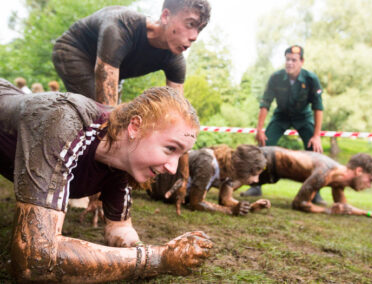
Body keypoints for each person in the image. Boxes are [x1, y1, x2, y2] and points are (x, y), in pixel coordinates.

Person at [0, 78, 212, 282]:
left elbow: (119, 229)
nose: (173, 168)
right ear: (135, 127)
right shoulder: (67, 122)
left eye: (180, 155)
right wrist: (155, 259)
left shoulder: (122, 163)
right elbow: (33, 257)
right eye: (170, 149)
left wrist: (142, 249)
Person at [52, 0, 211, 105]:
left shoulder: (175, 60)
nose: (195, 37)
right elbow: (107, 108)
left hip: (113, 70)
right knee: (98, 114)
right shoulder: (122, 26)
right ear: (165, 16)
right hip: (74, 50)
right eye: (190, 24)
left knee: (114, 120)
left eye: (200, 29)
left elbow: (178, 108)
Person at [242, 45, 325, 204]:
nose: (289, 63)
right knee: (264, 146)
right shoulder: (276, 77)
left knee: (315, 151)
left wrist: (316, 136)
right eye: (287, 59)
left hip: (303, 117)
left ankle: (315, 192)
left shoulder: (311, 79)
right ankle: (256, 184)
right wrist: (260, 130)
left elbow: (318, 108)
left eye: (294, 60)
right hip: (281, 116)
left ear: (301, 61)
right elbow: (265, 103)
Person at [249, 146, 372, 223]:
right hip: (266, 158)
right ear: (359, 171)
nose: (369, 185)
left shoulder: (338, 183)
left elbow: (344, 208)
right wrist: (327, 211)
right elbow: (299, 203)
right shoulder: (325, 172)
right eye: (370, 180)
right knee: (228, 183)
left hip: (272, 170)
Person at [148, 144, 271, 216]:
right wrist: (229, 211)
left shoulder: (228, 169)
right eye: (255, 174)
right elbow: (196, 203)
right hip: (155, 187)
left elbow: (225, 200)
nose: (256, 180)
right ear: (245, 169)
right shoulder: (208, 163)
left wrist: (250, 207)